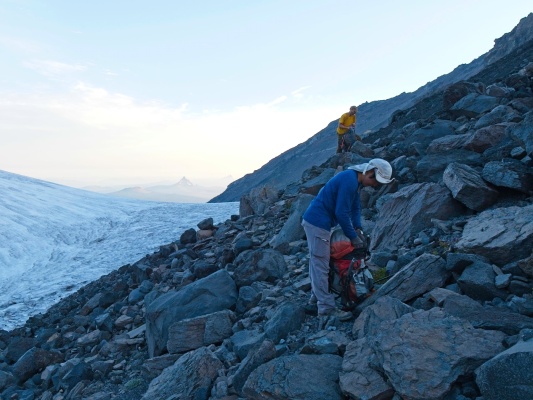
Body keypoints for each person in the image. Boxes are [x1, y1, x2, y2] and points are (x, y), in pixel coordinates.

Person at [301, 158, 394, 324]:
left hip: (321, 223)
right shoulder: (349, 180)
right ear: (369, 171)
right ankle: (326, 309)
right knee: (320, 263)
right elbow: (341, 213)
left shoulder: (355, 182)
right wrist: (352, 237)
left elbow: (355, 207)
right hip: (317, 223)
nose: (374, 185)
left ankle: (315, 299)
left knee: (320, 261)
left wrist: (357, 228)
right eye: (374, 180)